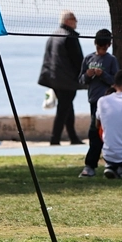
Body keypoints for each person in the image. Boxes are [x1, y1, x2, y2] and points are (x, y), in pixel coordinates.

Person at [38, 10, 84, 145]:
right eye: (74, 19)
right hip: (66, 80)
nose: (76, 22)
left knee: (67, 107)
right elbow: (77, 60)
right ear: (68, 21)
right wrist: (84, 76)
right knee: (64, 109)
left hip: (54, 78)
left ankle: (73, 137)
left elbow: (48, 58)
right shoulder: (69, 37)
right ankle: (55, 139)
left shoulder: (53, 35)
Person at [78, 28, 119, 177]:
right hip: (94, 101)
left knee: (108, 132)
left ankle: (112, 163)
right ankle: (91, 165)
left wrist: (103, 75)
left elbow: (115, 81)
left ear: (109, 45)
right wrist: (87, 75)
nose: (101, 51)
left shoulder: (111, 60)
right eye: (98, 48)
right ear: (95, 44)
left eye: (104, 48)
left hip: (108, 101)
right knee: (94, 132)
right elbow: (81, 80)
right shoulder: (88, 59)